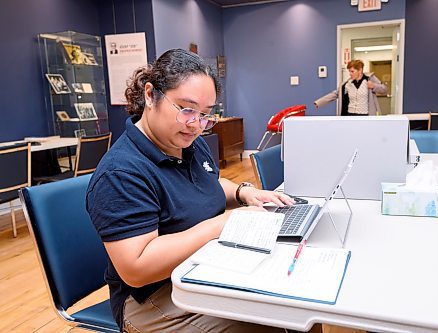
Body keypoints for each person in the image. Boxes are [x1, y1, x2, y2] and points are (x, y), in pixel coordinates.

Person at [86, 48, 295, 333]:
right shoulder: (121, 174)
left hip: (201, 267)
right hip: (154, 301)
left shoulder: (187, 143)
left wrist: (243, 193)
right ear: (150, 95)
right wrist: (220, 226)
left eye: (205, 115)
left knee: (291, 308)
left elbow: (207, 183)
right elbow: (137, 268)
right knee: (270, 325)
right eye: (186, 109)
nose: (196, 125)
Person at [314, 59, 388, 116]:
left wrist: (374, 86)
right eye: (349, 71)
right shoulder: (347, 84)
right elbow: (335, 94)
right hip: (350, 115)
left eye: (352, 71)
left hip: (366, 116)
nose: (350, 74)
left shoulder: (370, 79)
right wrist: (319, 102)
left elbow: (384, 89)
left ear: (360, 70)